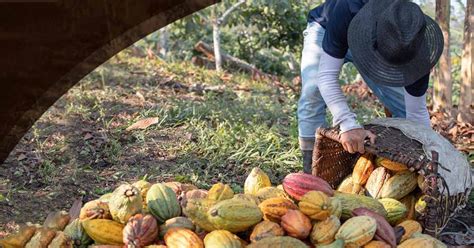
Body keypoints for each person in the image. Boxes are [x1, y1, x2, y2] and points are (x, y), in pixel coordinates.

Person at [298, 0, 443, 173]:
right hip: (327, 28)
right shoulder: (349, 7)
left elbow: (417, 113)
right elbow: (326, 76)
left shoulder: (415, 46)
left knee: (403, 108)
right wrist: (348, 123)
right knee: (312, 92)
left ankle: (399, 165)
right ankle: (310, 169)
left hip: (384, 46)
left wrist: (429, 153)